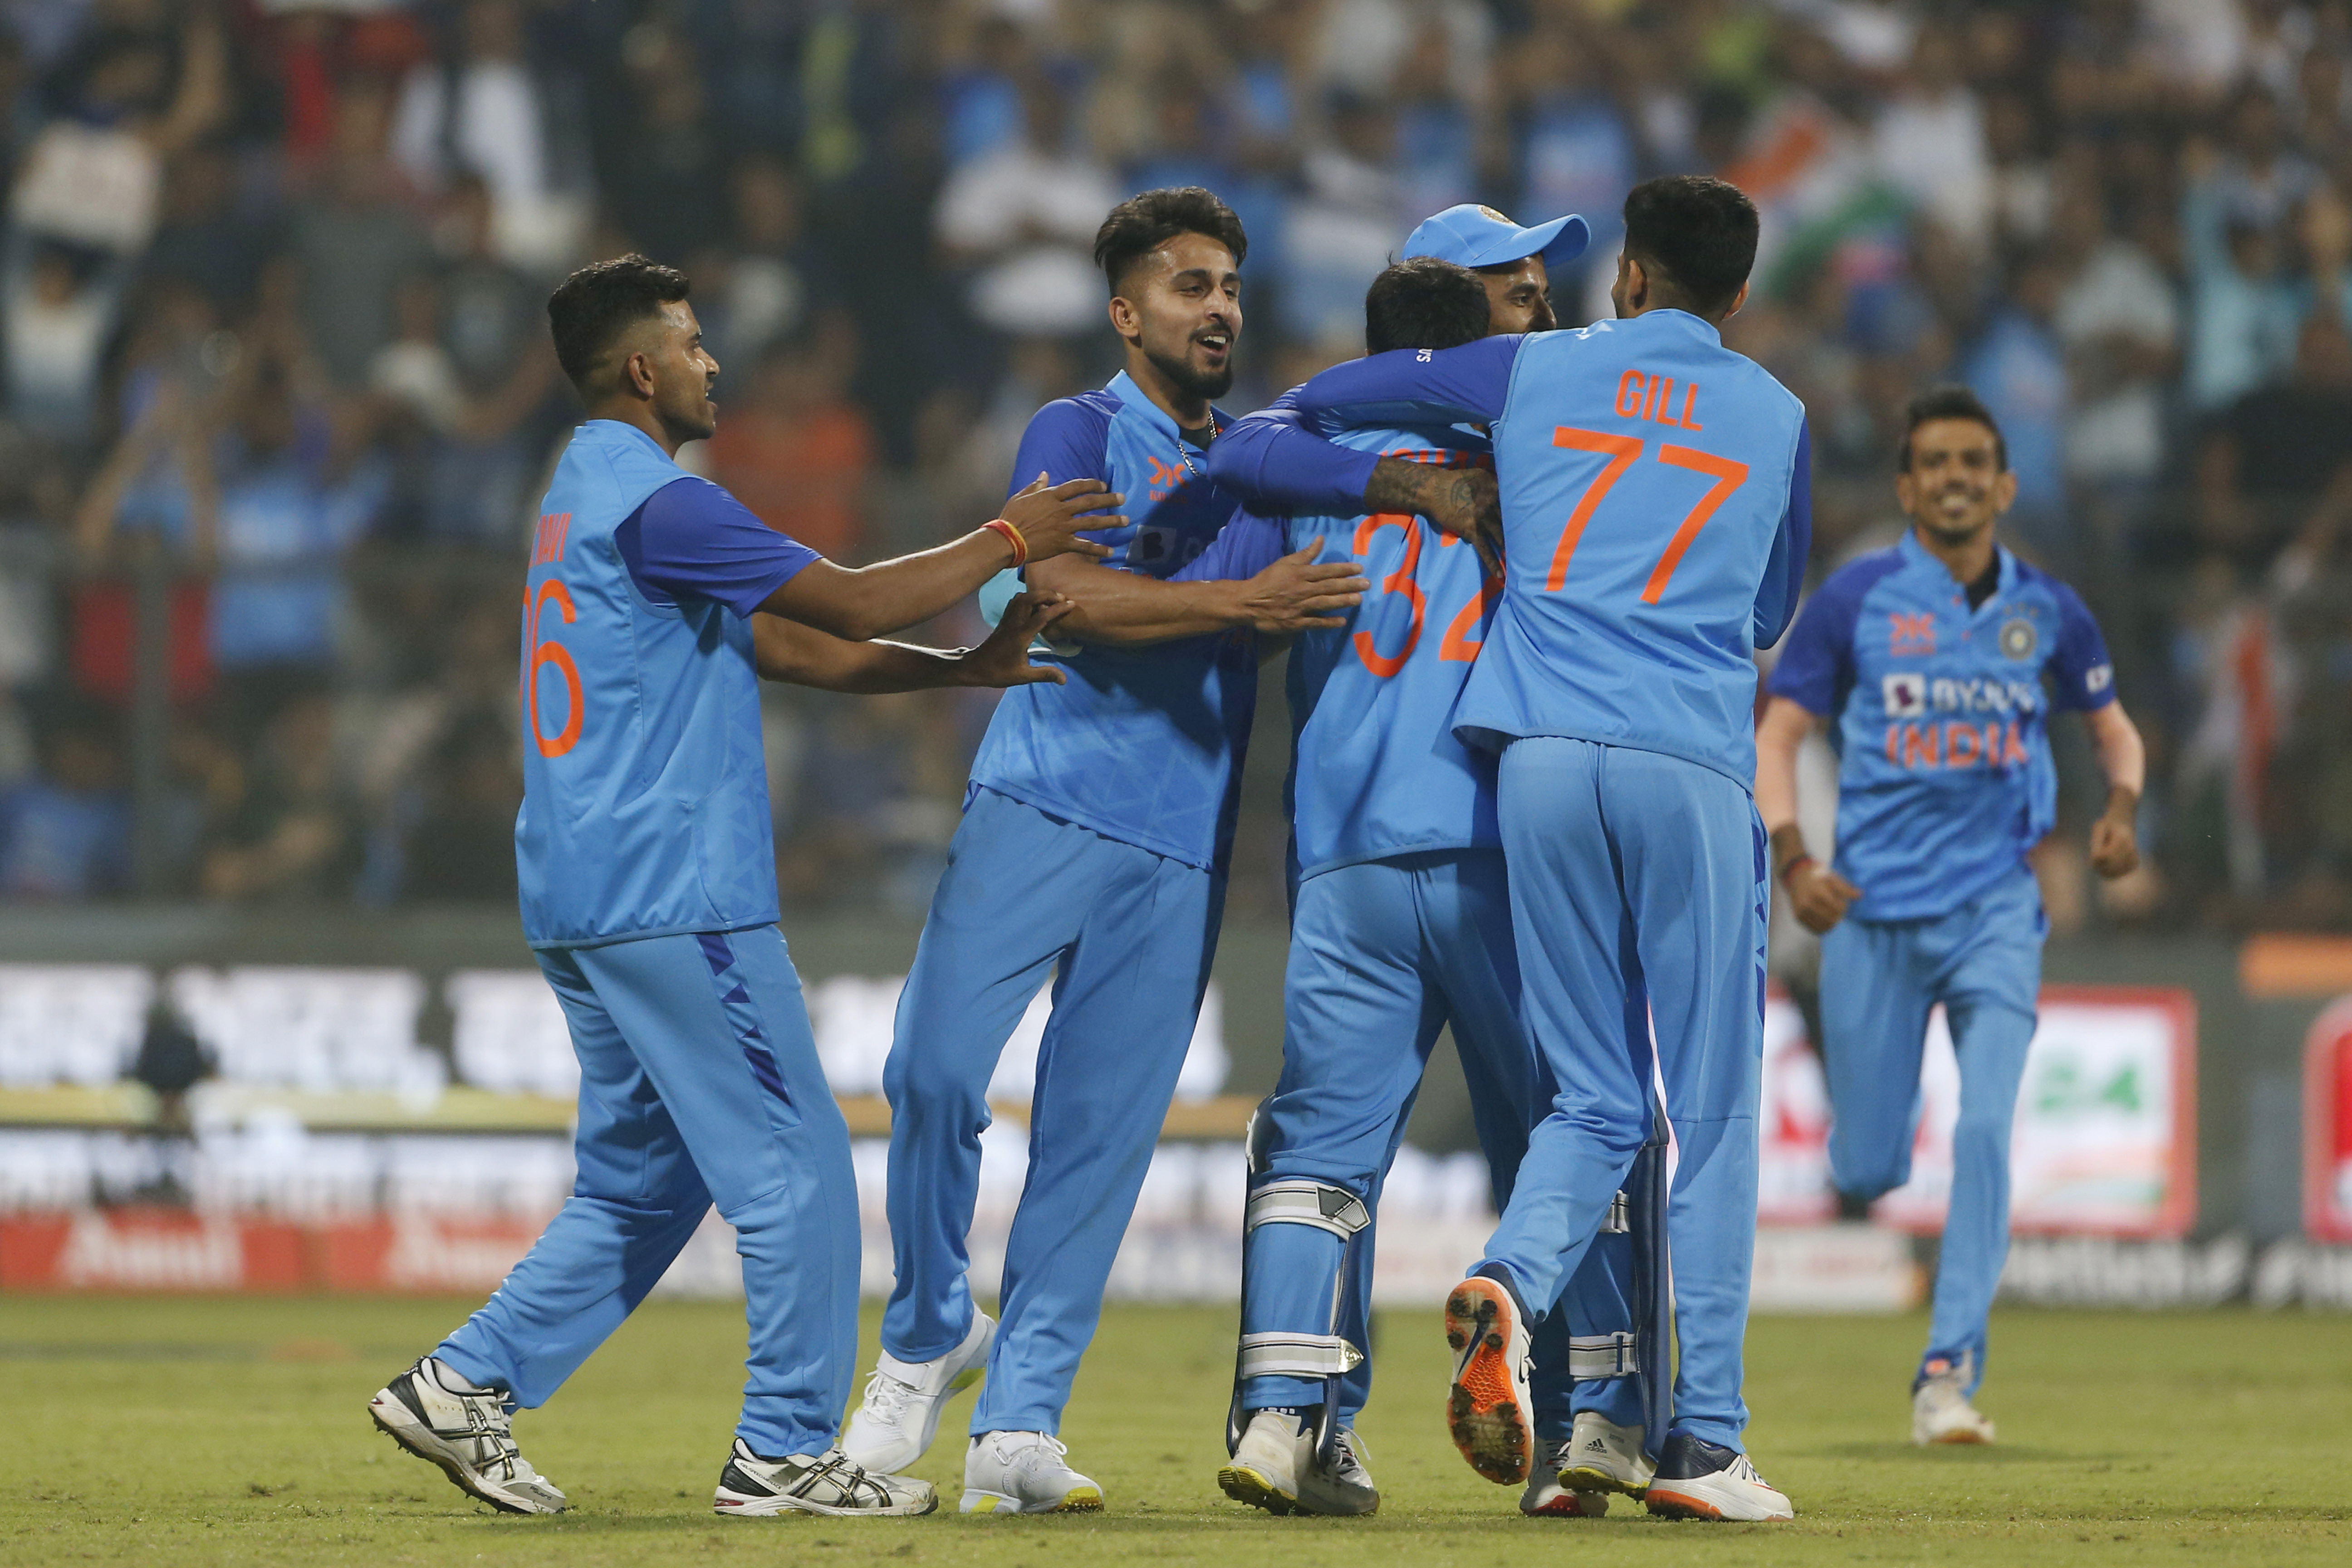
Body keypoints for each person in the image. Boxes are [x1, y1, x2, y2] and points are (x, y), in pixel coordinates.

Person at [364, 254, 1125, 1521]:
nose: (716, 362)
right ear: (645, 368)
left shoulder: (578, 494)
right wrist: (1010, 539)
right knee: (798, 1164)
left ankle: (465, 1382)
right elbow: (850, 594)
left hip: (582, 885)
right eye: (697, 341)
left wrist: (950, 674)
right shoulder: (666, 502)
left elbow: (777, 641)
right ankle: (784, 1448)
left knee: (645, 1182)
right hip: (678, 893)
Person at [1203, 174, 1810, 1522]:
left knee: (1341, 1146)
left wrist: (1380, 485)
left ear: (1636, 276)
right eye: (1516, 280)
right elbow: (1767, 601)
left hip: (1408, 823)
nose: (1541, 296)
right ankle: (1639, 1426)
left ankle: (1293, 1417)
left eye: (1551, 277)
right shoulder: (1620, 402)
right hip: (1555, 808)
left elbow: (1238, 471)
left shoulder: (1465, 415)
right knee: (1643, 1116)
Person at [841, 188, 1367, 1514]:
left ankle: (1019, 1425)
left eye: (1232, 285)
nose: (1221, 307)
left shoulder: (1262, 458)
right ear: (1127, 314)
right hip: (1041, 795)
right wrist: (1240, 602)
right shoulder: (1079, 430)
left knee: (1098, 1143)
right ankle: (922, 1338)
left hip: (1181, 845)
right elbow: (1059, 593)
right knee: (934, 1068)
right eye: (1190, 286)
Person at [1754, 385, 2145, 1446]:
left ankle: (1946, 1372)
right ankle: (1871, 1160)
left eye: (1975, 461)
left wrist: (2118, 813)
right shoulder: (1856, 601)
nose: (1957, 477)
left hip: (1994, 914)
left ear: (2005, 484)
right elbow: (1779, 736)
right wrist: (1795, 860)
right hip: (1874, 919)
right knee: (1871, 1168)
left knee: (1984, 1125)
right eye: (1936, 462)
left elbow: (2115, 733)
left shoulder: (2050, 610)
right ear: (1907, 485)